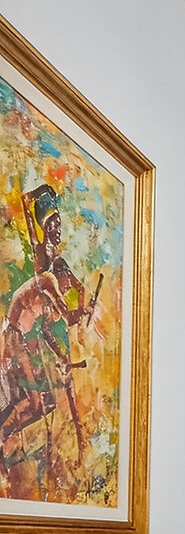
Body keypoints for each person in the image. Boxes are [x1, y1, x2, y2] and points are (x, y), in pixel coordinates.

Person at [1, 183, 92, 464]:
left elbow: (76, 296)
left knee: (43, 399)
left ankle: (7, 435)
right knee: (32, 400)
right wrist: (81, 312)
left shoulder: (56, 271)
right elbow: (67, 314)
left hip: (31, 333)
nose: (58, 229)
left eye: (59, 223)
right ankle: (5, 437)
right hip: (21, 335)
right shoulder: (46, 272)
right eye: (53, 224)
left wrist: (65, 349)